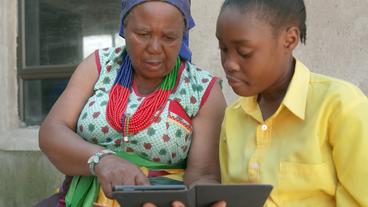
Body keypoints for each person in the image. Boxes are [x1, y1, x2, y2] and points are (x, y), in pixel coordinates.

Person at [35, 0, 226, 206]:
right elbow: (52, 131)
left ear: (183, 34)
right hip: (80, 200)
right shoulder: (100, 66)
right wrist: (102, 160)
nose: (154, 48)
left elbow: (202, 174)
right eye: (143, 34)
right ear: (124, 28)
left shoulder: (202, 89)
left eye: (169, 37)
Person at [216, 0, 368, 206]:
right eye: (223, 49)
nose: (229, 64)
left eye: (244, 52)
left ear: (289, 39)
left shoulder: (341, 107)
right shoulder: (234, 117)